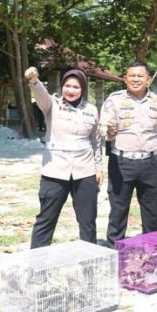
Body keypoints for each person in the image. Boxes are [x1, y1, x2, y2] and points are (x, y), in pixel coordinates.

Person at [24, 66, 102, 246]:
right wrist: (34, 80)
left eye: (76, 87)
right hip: (55, 172)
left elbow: (96, 142)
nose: (71, 90)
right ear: (61, 87)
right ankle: (38, 262)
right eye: (67, 86)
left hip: (85, 172)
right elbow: (40, 94)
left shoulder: (91, 110)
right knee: (46, 220)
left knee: (88, 221)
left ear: (83, 89)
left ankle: (89, 260)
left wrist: (98, 168)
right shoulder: (52, 105)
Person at [99, 61, 157, 248]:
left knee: (151, 213)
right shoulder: (114, 100)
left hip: (150, 163)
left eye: (140, 76)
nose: (136, 79)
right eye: (132, 76)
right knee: (118, 211)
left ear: (148, 79)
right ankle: (114, 251)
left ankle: (152, 252)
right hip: (121, 163)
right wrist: (109, 131)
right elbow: (102, 128)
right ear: (125, 78)